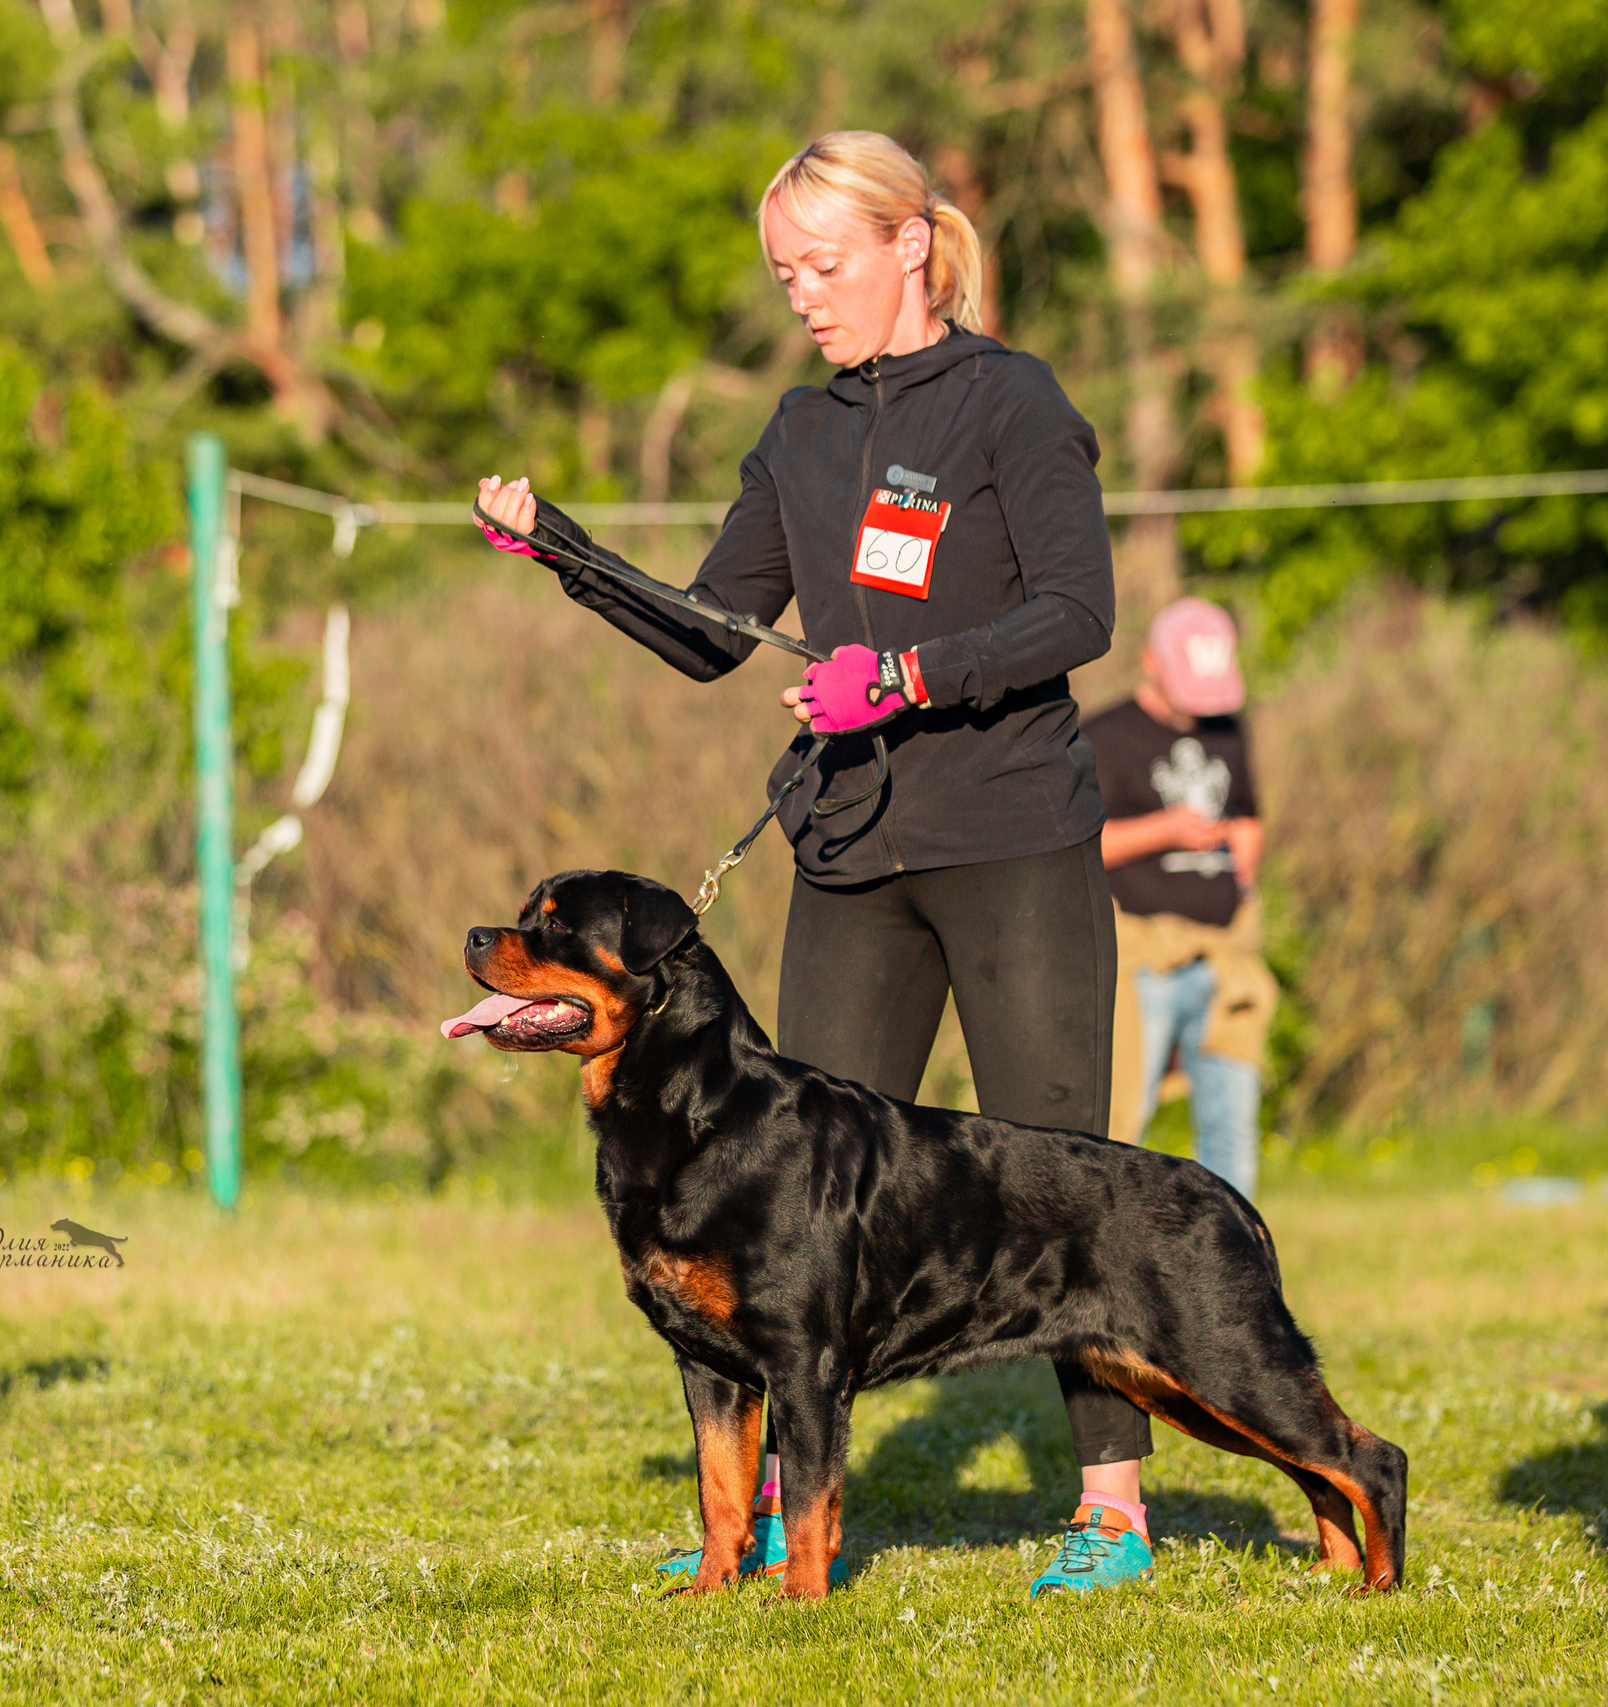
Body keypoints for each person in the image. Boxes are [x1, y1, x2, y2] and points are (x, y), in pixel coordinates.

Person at [474, 131, 1156, 1596]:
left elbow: (1078, 611)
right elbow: (715, 630)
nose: (803, 295)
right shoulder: (797, 430)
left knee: (1057, 1174)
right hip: (848, 846)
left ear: (912, 243)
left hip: (1013, 834)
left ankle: (1111, 1505)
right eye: (784, 272)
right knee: (785, 1197)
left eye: (824, 264)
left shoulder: (1010, 400)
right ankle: (780, 1513)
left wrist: (902, 674)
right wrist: (566, 552)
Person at [1083, 598, 1275, 1195]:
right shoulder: (1104, 735)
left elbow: (1247, 813)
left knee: (1230, 1133)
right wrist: (1168, 829)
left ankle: (1238, 1266)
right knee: (1120, 1126)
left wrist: (1247, 845)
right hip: (1141, 961)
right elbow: (1084, 844)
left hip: (1222, 958)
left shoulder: (1227, 728)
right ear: (1150, 662)